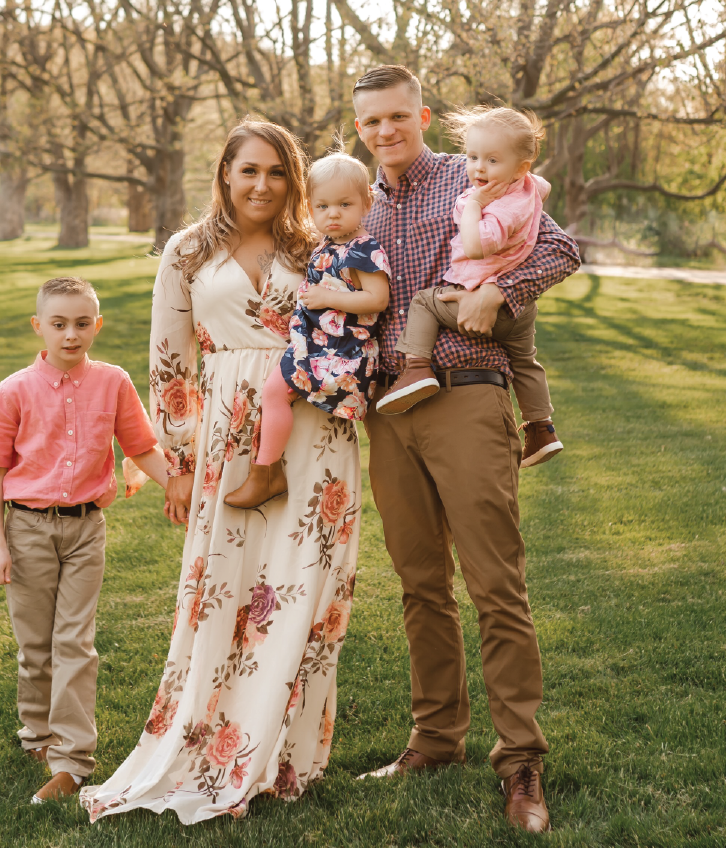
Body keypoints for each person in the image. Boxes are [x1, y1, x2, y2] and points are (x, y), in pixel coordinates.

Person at [81, 118, 363, 825]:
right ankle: (214, 748)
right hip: (226, 436)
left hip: (316, 433)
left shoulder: (318, 246)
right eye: (249, 171)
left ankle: (277, 758)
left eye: (275, 172)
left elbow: (360, 325)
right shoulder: (187, 250)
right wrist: (176, 461)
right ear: (225, 175)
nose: (262, 185)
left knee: (302, 593)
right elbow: (169, 360)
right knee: (224, 593)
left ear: (292, 180)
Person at [353, 66, 580, 834]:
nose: (384, 132)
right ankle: (435, 740)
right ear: (358, 130)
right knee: (420, 585)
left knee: (495, 585)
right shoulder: (363, 202)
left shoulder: (472, 171)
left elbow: (561, 248)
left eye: (395, 117)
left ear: (419, 114)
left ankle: (520, 758)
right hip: (388, 409)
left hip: (466, 395)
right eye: (369, 122)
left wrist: (503, 293)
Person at [0, 276, 168, 804]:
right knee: (36, 647)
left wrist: (180, 485)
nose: (71, 335)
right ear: (39, 327)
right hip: (27, 530)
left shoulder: (113, 382)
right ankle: (37, 735)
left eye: (82, 324)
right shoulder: (14, 389)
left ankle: (73, 760)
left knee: (74, 642)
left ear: (97, 325)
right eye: (58, 324)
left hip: (85, 531)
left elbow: (141, 446)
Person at [376, 105, 563, 466]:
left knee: (425, 302)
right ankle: (541, 427)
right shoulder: (523, 187)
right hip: (519, 316)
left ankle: (416, 367)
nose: (479, 167)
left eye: (492, 160)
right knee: (526, 361)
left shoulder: (491, 198)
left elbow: (555, 249)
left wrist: (474, 207)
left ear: (422, 117)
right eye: (473, 156)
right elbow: (543, 185)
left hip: (480, 331)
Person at [224, 152, 390, 509]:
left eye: (344, 204)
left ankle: (265, 473)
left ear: (367, 203)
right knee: (274, 395)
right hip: (317, 343)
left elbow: (377, 299)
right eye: (322, 206)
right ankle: (267, 470)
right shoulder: (330, 245)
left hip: (338, 350)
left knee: (272, 392)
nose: (332, 213)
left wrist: (327, 297)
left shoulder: (364, 249)